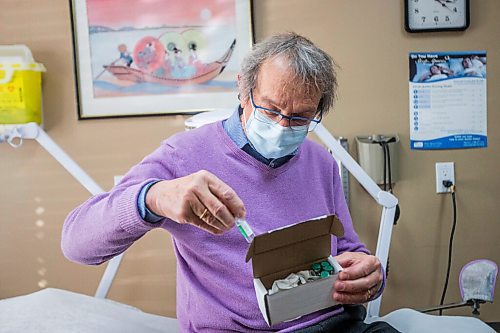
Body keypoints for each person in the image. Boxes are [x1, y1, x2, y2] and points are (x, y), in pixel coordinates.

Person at [62, 32, 398, 333]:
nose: (282, 126)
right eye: (269, 109)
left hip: (333, 325)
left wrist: (371, 276)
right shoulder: (183, 156)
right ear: (243, 90)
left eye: (299, 117)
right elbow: (76, 243)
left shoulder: (321, 162)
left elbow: (349, 251)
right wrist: (153, 198)